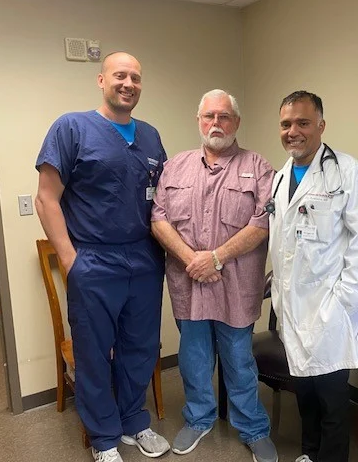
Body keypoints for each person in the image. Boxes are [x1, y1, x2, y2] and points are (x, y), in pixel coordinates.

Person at [35, 52, 170, 462]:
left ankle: (133, 422)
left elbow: (163, 199)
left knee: (140, 347)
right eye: (120, 76)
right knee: (93, 353)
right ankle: (104, 438)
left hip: (145, 260)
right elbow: (46, 199)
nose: (128, 83)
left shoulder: (149, 136)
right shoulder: (72, 127)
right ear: (101, 80)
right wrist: (71, 259)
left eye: (136, 77)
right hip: (93, 261)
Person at [150, 89, 278, 462]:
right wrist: (193, 258)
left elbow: (263, 223)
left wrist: (217, 258)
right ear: (199, 121)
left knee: (239, 360)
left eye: (224, 117)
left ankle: (254, 429)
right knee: (193, 357)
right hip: (188, 282)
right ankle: (198, 418)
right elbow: (157, 218)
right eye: (209, 116)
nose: (216, 123)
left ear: (236, 122)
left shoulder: (258, 167)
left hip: (236, 286)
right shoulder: (175, 166)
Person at [268, 91, 358, 462]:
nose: (293, 131)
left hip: (328, 310)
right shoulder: (281, 176)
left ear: (321, 125)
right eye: (286, 124)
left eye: (303, 123)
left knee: (333, 402)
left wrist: (342, 302)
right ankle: (308, 453)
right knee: (305, 396)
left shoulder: (345, 172)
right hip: (292, 310)